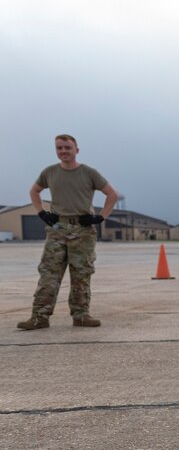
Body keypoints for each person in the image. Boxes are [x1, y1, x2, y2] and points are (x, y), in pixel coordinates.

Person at [17, 134, 118, 330]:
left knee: (81, 274)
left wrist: (100, 217)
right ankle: (39, 317)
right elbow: (34, 191)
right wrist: (41, 212)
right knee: (48, 274)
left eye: (67, 148)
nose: (63, 151)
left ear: (76, 150)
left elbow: (111, 194)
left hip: (82, 229)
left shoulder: (89, 173)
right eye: (59, 148)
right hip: (57, 230)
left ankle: (81, 316)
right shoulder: (50, 172)